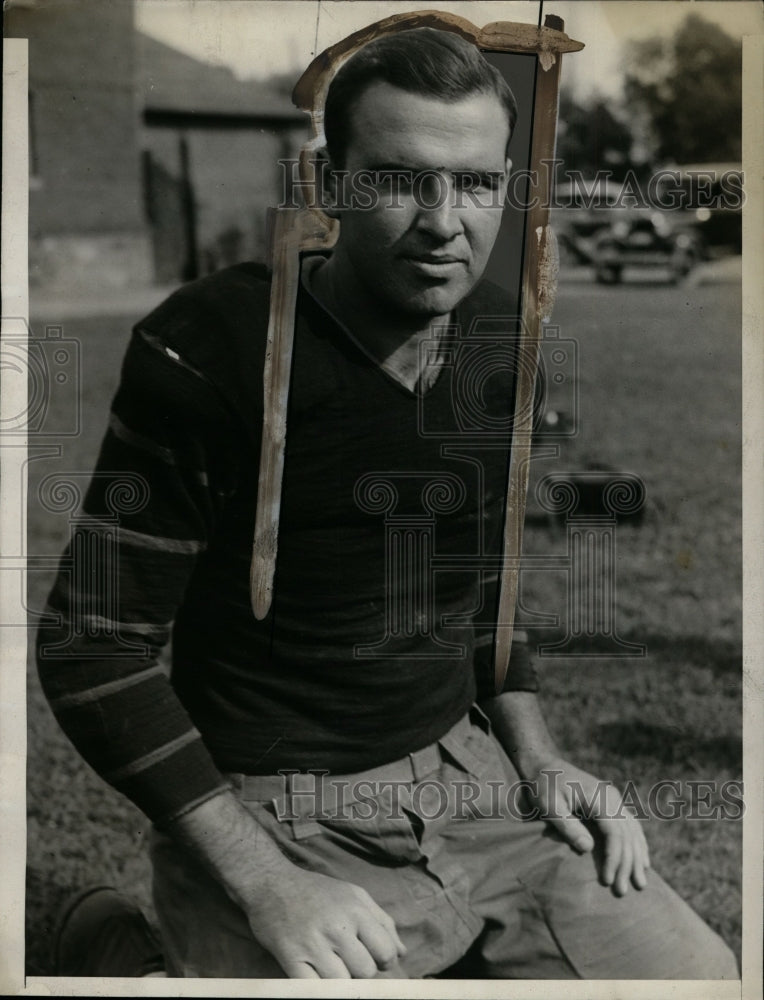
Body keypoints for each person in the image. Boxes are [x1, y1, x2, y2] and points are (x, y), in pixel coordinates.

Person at [37, 27, 738, 980]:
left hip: (476, 786)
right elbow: (93, 646)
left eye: (479, 182)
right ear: (329, 185)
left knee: (704, 979)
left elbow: (482, 580)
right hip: (280, 814)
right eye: (400, 179)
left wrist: (539, 757)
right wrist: (268, 883)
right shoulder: (214, 347)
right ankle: (121, 943)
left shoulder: (500, 340)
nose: (446, 221)